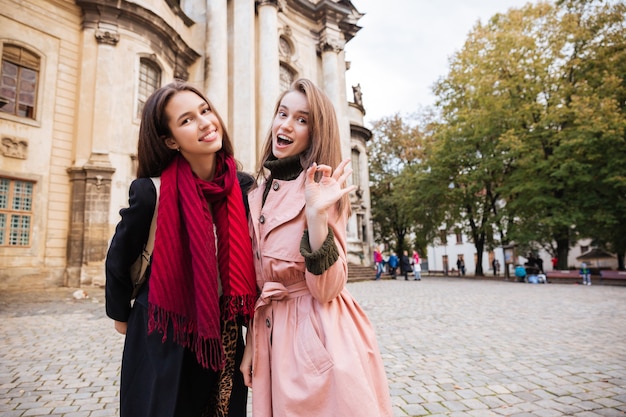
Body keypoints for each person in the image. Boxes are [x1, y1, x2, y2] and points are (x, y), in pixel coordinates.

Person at [240, 78, 393, 417]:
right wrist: (251, 344)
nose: (287, 125)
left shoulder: (321, 190)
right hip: (270, 337)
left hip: (318, 337)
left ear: (315, 132)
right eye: (283, 113)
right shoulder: (255, 194)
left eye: (302, 119)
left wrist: (316, 216)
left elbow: (328, 288)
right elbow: (260, 285)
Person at [105, 81, 257, 417]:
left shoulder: (244, 188)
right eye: (187, 120)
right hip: (164, 330)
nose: (205, 122)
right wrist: (122, 317)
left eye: (205, 111)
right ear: (170, 140)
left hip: (225, 334)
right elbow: (118, 257)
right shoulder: (150, 192)